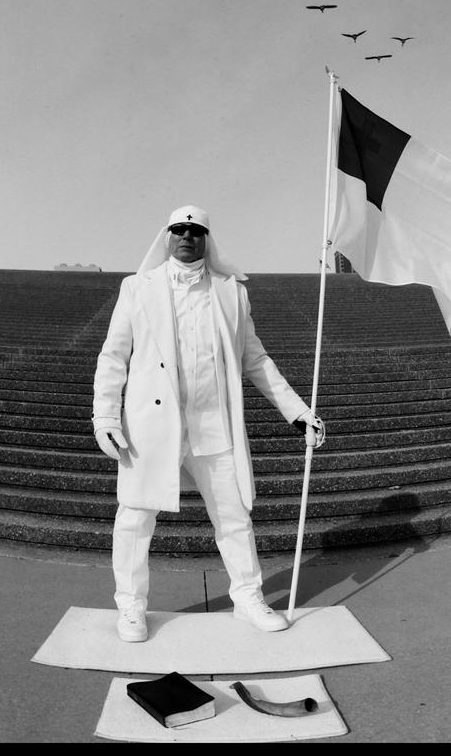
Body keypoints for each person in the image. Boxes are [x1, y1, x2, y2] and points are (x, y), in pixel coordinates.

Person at [92, 204, 325, 643]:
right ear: (166, 236)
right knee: (135, 518)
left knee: (234, 516)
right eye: (179, 229)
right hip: (151, 427)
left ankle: (248, 598)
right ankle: (131, 606)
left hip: (213, 425)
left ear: (207, 239)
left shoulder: (231, 292)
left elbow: (255, 359)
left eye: (195, 230)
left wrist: (297, 410)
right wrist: (104, 414)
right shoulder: (137, 288)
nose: (187, 236)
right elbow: (113, 355)